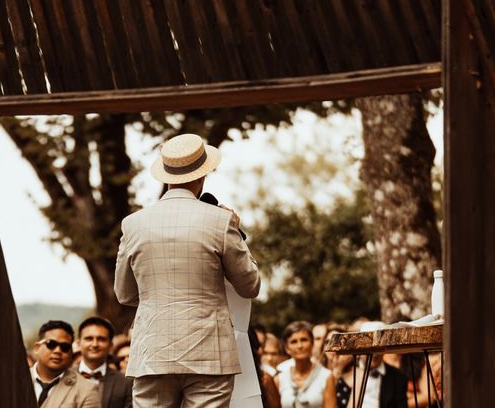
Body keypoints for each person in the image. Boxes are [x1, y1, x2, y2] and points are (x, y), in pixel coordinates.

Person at [114, 133, 261, 408]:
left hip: (151, 351)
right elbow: (250, 286)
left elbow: (124, 294)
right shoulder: (221, 220)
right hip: (210, 353)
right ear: (203, 175)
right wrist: (238, 235)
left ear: (165, 175)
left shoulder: (133, 224)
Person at [31, 320, 100, 408]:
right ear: (37, 348)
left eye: (65, 347)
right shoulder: (15, 380)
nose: (58, 351)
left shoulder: (86, 389)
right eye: (51, 344)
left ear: (71, 352)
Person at [275, 321, 335, 408]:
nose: (299, 346)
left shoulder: (326, 377)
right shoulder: (279, 380)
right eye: (293, 342)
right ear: (287, 348)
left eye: (304, 340)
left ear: (312, 343)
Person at [77, 317, 133, 408]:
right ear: (79, 343)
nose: (95, 344)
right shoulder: (62, 378)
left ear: (110, 345)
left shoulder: (126, 383)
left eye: (101, 339)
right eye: (89, 339)